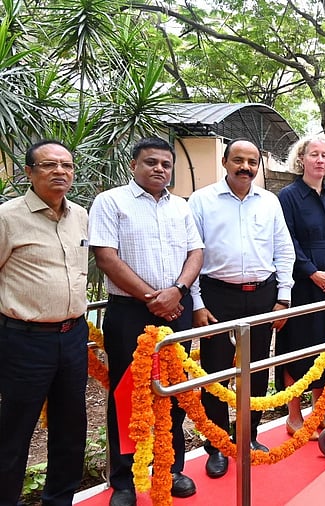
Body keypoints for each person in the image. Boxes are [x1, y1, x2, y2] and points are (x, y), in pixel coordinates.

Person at [89, 137, 203, 506]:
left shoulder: (181, 208)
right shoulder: (111, 202)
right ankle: (122, 481)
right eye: (150, 162)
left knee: (171, 390)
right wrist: (153, 298)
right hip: (130, 312)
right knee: (127, 393)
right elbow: (106, 257)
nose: (159, 169)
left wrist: (177, 291)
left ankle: (171, 468)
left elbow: (196, 251)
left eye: (165, 164)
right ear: (133, 165)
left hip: (176, 307)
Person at [188, 138, 295, 478]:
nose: (245, 167)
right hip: (217, 296)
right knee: (216, 372)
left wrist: (283, 296)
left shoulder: (270, 202)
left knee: (258, 369)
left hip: (262, 296)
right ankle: (218, 444)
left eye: (252, 161)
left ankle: (247, 436)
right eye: (239, 160)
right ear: (224, 162)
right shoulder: (201, 201)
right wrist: (197, 302)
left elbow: (284, 250)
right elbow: (192, 253)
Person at [0, 141, 89, 506]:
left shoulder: (81, 215)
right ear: (29, 172)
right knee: (15, 430)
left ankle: (60, 500)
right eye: (49, 165)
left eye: (66, 165)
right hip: (24, 341)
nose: (60, 172)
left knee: (71, 427)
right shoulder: (8, 217)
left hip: (72, 337)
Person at [277, 133, 325, 440]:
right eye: (314, 155)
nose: (320, 160)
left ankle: (318, 412)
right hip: (303, 285)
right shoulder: (288, 196)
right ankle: (294, 415)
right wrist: (311, 272)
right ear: (301, 159)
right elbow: (287, 241)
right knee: (298, 348)